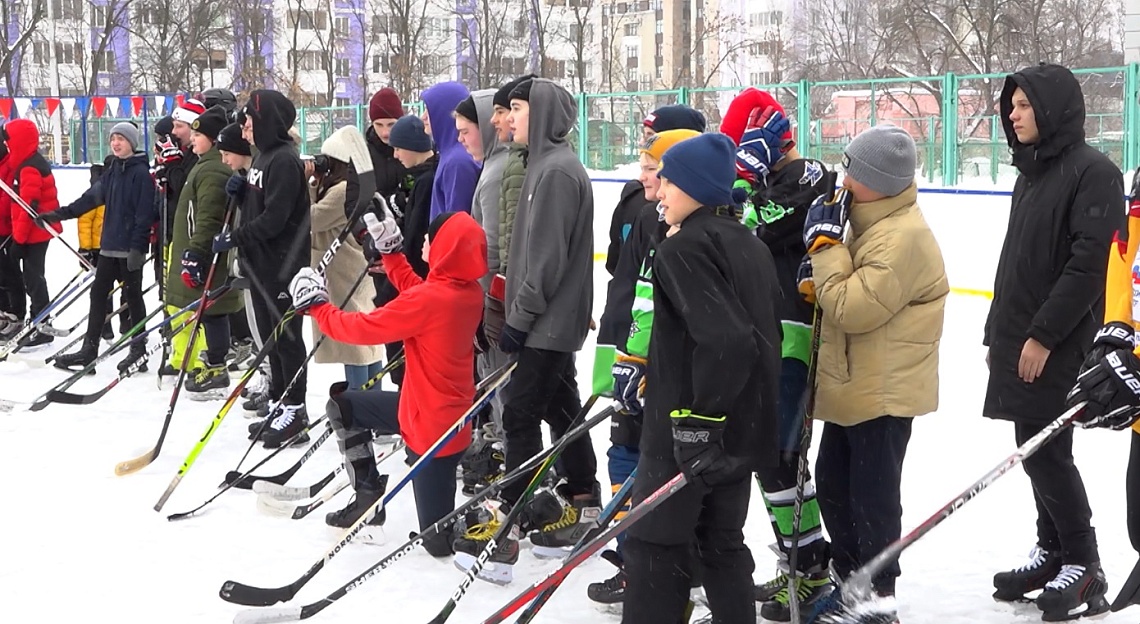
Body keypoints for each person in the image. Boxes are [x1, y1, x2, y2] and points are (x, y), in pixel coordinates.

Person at [620, 132, 782, 624]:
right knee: (721, 546)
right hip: (738, 434)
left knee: (652, 548)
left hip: (685, 435)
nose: (659, 189)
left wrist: (698, 423)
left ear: (693, 185)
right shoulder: (745, 242)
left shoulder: (684, 249)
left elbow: (729, 340)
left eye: (667, 179)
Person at [985, 64, 1122, 620]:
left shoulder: (1093, 172)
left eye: (1023, 105)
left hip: (1062, 339)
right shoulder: (1033, 172)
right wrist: (1000, 328)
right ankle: (1054, 550)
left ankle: (1084, 563)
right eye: (1010, 106)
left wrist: (1042, 335)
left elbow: (1088, 266)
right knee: (1035, 447)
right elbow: (1016, 261)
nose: (1013, 115)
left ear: (1053, 107)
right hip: (1020, 335)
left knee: (1047, 452)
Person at [453, 77, 600, 573]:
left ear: (542, 114)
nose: (507, 119)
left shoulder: (556, 172)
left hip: (547, 323)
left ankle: (512, 524)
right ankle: (584, 494)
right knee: (561, 408)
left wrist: (517, 320)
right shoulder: (540, 166)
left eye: (516, 108)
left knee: (519, 416)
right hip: (544, 321)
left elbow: (546, 262)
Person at [800, 125, 947, 622]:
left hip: (884, 391)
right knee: (834, 483)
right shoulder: (865, 222)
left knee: (872, 497)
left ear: (877, 181)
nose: (841, 179)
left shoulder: (903, 235)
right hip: (853, 383)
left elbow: (852, 308)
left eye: (851, 171)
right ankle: (850, 582)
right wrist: (818, 262)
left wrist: (823, 250)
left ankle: (877, 595)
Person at [288, 208, 487, 556]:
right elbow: (423, 292)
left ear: (446, 249)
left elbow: (361, 328)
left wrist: (319, 307)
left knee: (436, 543)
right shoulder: (465, 291)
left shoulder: (430, 301)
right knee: (344, 406)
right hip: (431, 413)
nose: (423, 241)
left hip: (431, 434)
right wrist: (394, 256)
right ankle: (367, 494)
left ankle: (477, 521)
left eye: (430, 238)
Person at [721, 87, 834, 618]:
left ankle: (811, 567)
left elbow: (754, 227)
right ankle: (797, 562)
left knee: (783, 459)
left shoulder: (810, 177)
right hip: (762, 334)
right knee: (770, 459)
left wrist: (744, 180)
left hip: (792, 338)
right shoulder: (766, 180)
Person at [587, 127, 702, 605]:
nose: (644, 176)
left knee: (649, 464)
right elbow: (627, 287)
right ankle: (633, 556)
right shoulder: (646, 212)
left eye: (653, 168)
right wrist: (618, 355)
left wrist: (640, 359)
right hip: (629, 357)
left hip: (659, 376)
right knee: (623, 455)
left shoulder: (683, 230)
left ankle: (655, 564)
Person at [213, 90, 311, 449]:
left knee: (286, 338)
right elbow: (258, 206)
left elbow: (274, 219)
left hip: (283, 266)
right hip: (262, 266)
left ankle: (296, 409)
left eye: (250, 122)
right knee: (270, 339)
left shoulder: (284, 160)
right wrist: (240, 194)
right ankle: (280, 401)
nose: (246, 129)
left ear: (267, 122)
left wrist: (236, 237)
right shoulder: (262, 158)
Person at [44, 122, 155, 372]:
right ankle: (89, 350)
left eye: (121, 139)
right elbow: (91, 199)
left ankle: (138, 349)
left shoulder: (141, 175)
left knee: (133, 298)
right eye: (113, 139)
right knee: (97, 296)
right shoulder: (113, 169)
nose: (116, 143)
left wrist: (138, 249)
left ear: (132, 143)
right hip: (108, 248)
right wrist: (59, 214)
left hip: (129, 250)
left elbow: (144, 215)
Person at [162, 105, 246, 399]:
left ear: (211, 139)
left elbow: (207, 217)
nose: (192, 139)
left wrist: (196, 252)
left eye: (198, 135)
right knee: (209, 312)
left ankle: (216, 366)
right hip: (201, 249)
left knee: (213, 312)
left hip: (209, 254)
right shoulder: (203, 164)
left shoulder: (212, 169)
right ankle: (214, 362)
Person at [455, 88, 511, 495]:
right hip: (487, 301)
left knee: (504, 390)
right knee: (496, 389)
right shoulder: (492, 166)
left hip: (492, 304)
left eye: (466, 131)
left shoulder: (495, 174)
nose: (461, 139)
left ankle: (512, 474)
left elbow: (490, 248)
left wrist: (482, 307)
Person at [307, 126, 383, 390]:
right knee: (364, 342)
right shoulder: (347, 186)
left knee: (355, 344)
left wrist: (308, 184)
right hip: (347, 270)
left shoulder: (342, 191)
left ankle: (360, 403)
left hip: (345, 272)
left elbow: (312, 219)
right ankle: (370, 398)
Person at [0, 118, 62, 346]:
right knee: (31, 278)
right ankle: (38, 321)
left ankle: (42, 324)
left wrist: (19, 240)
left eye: (9, 141)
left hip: (36, 233)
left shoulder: (29, 168)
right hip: (32, 233)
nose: (6, 145)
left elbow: (27, 207)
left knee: (34, 279)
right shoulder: (25, 163)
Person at [420, 81, 480, 220]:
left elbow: (456, 222)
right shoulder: (451, 154)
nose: (423, 116)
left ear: (444, 112)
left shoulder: (457, 162)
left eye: (429, 110)